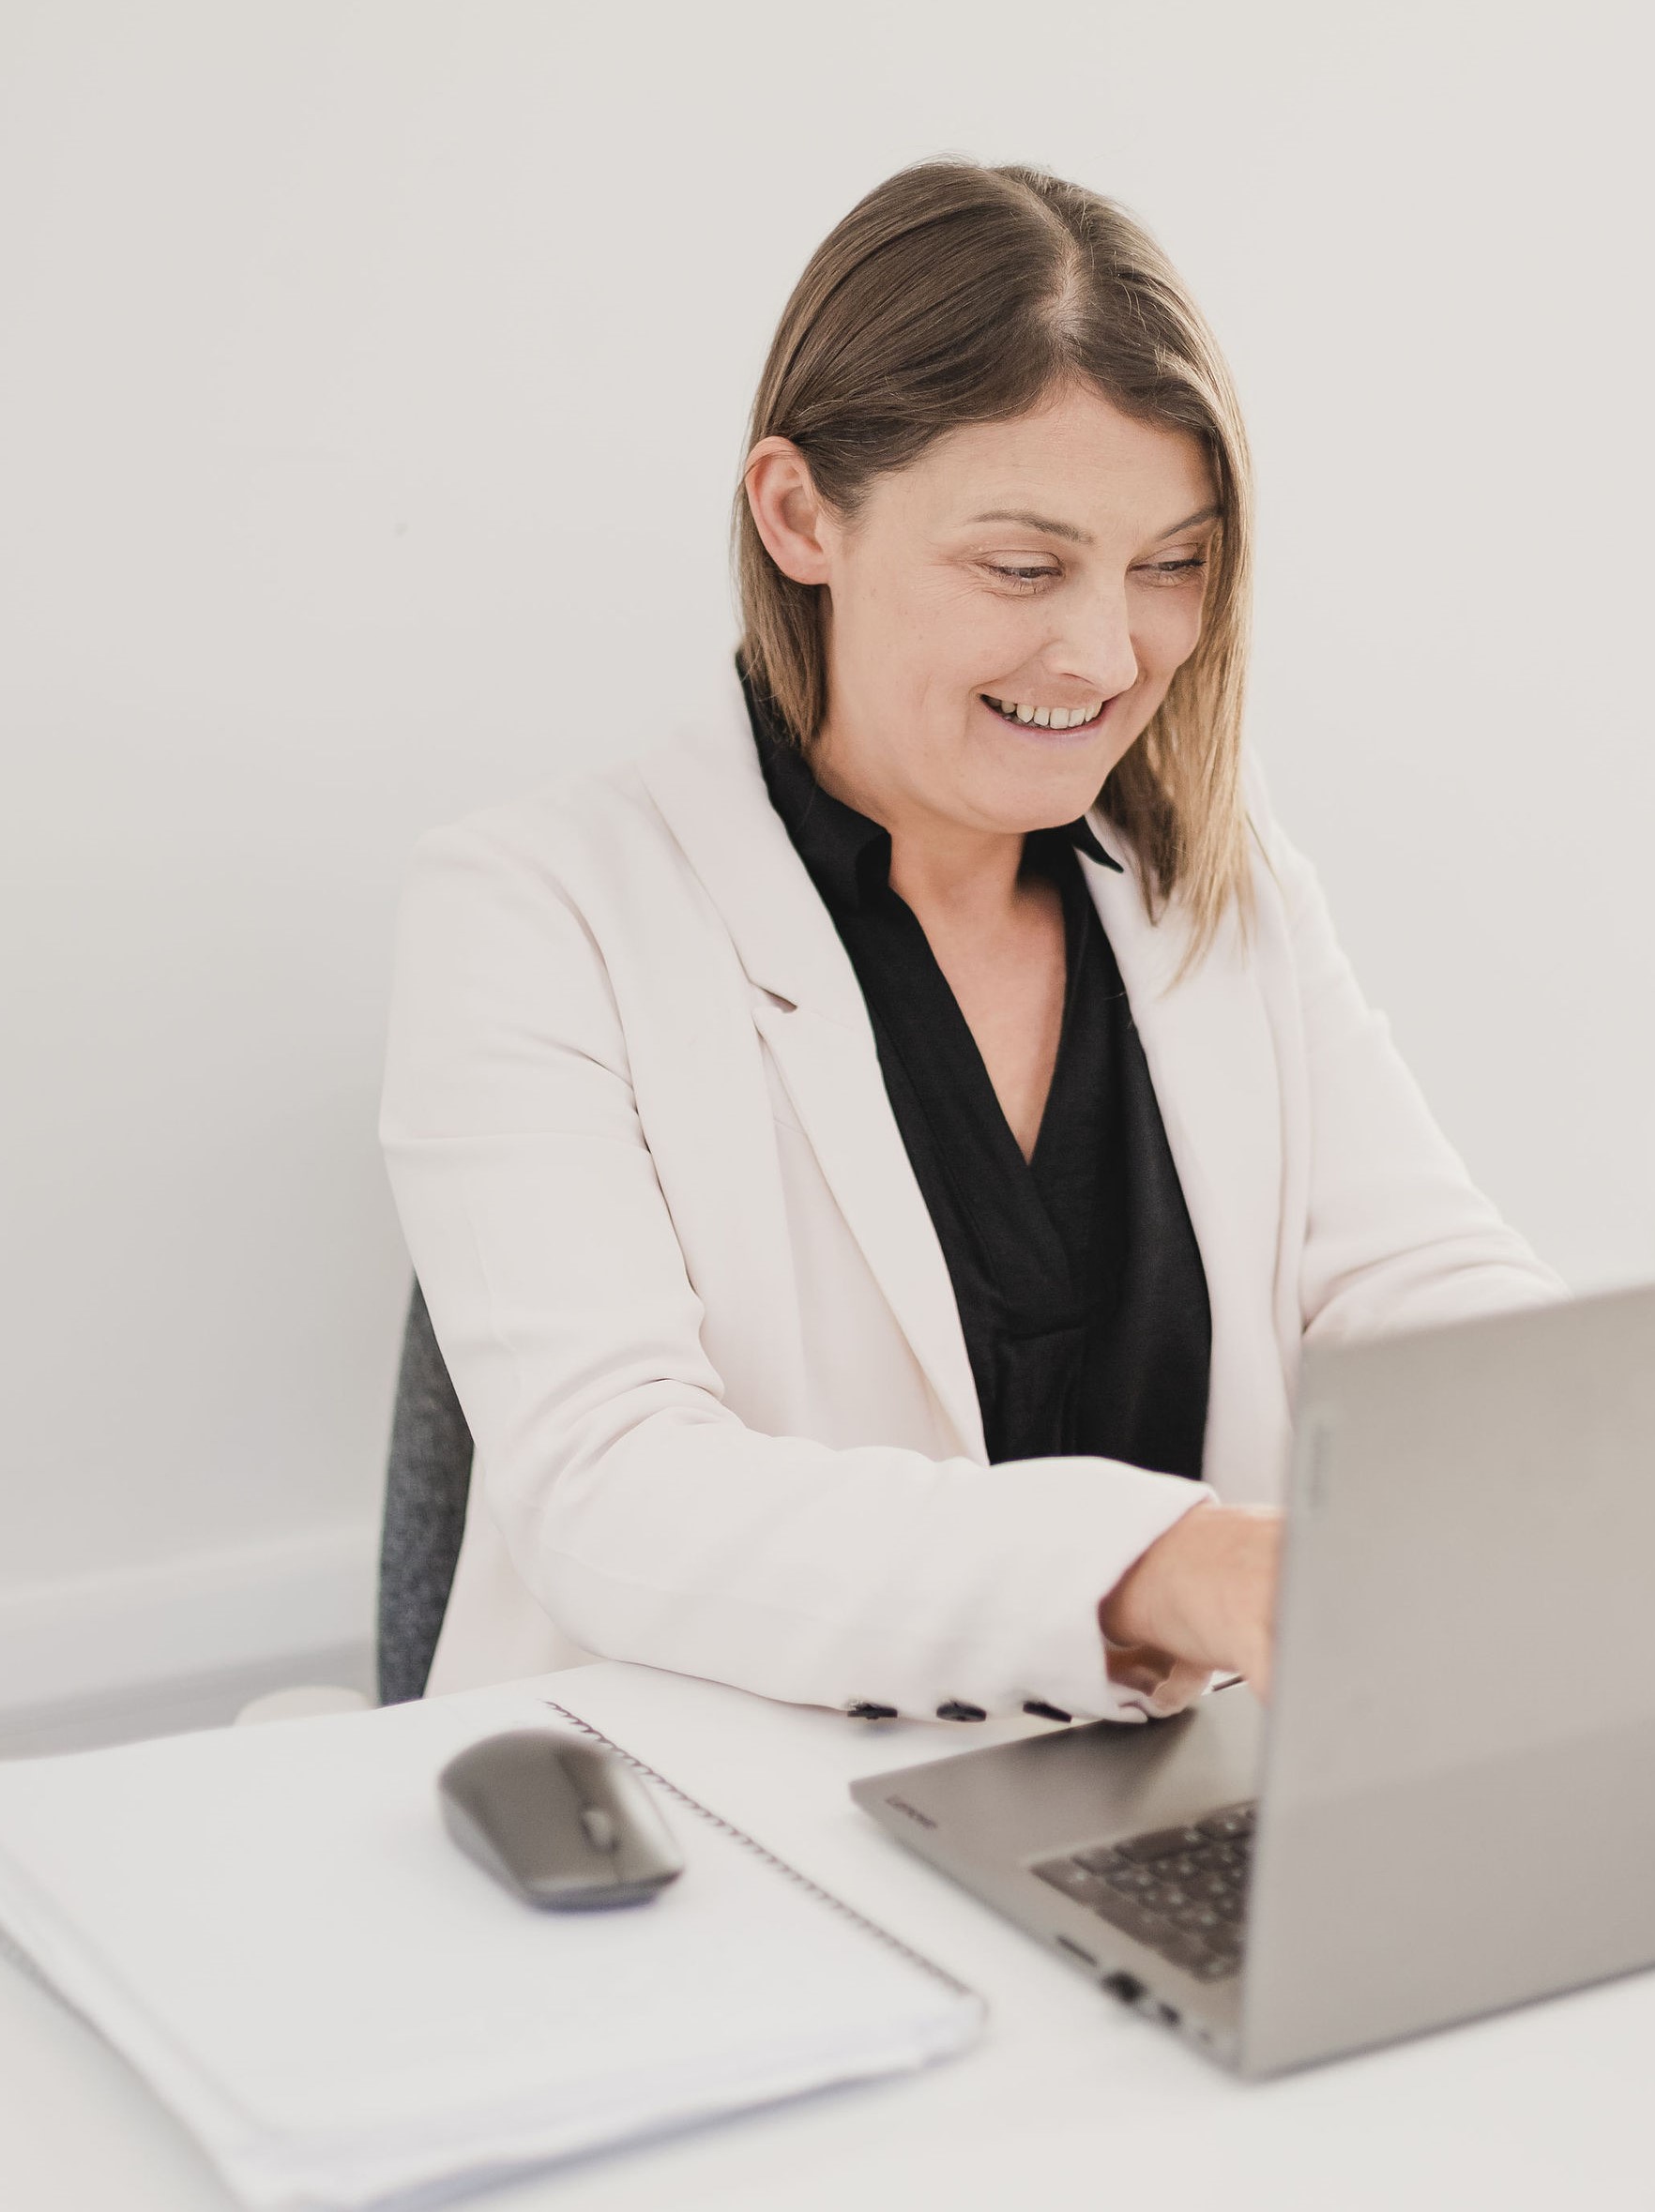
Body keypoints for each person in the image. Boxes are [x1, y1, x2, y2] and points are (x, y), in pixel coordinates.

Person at [379, 160, 1561, 1725]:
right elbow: (619, 1489)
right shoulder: (535, 910)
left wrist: (1604, 1441)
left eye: (1171, 564)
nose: (1105, 650)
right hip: (735, 1824)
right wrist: (1165, 1568)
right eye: (1023, 566)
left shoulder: (1213, 867)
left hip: (1164, 1808)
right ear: (801, 514)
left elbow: (1413, 1279)